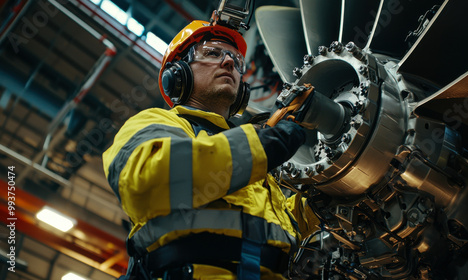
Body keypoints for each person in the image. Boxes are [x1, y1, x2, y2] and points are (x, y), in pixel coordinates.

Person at [102, 19, 320, 280]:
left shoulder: (256, 169)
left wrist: (323, 197)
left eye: (237, 61)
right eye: (212, 53)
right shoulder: (156, 122)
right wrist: (264, 145)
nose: (229, 63)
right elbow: (149, 180)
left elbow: (289, 225)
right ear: (179, 72)